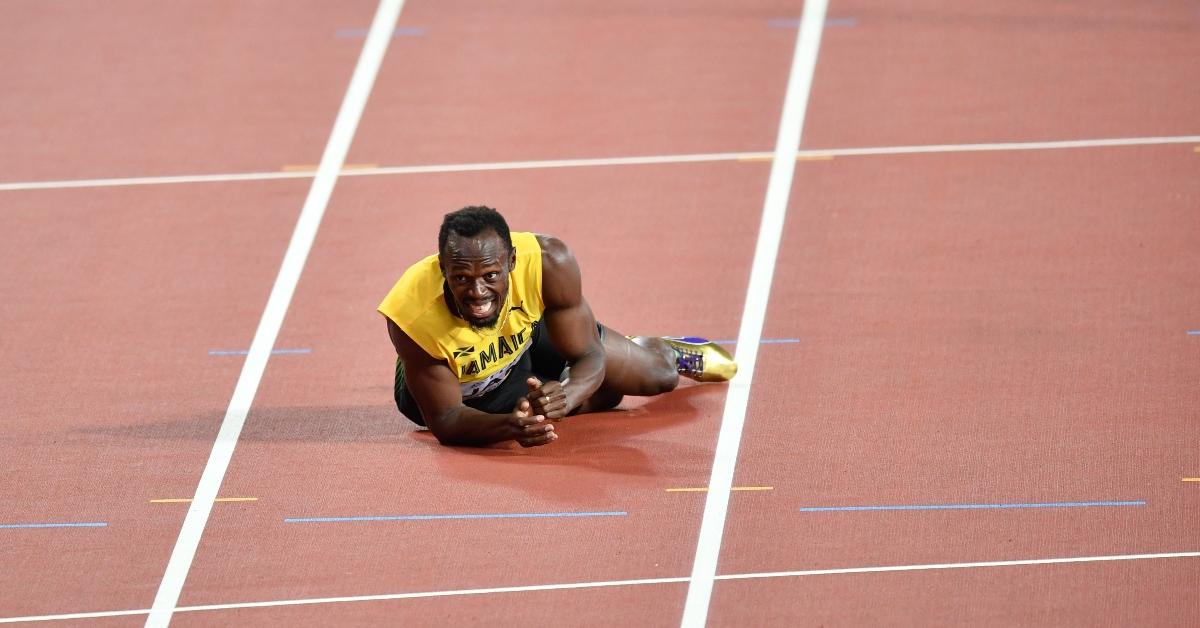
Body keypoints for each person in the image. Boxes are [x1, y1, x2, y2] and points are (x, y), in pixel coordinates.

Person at [379, 206, 737, 448]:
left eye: (490, 276)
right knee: (606, 395)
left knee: (660, 377)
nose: (477, 292)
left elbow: (587, 355)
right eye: (461, 278)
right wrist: (511, 427)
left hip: (525, 334)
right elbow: (446, 418)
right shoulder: (411, 315)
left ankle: (659, 349)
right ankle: (576, 390)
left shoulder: (549, 262)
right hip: (473, 388)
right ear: (442, 269)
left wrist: (568, 395)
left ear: (512, 263)